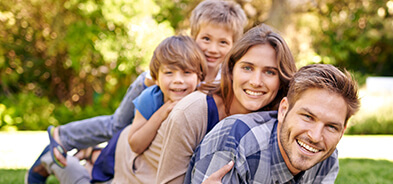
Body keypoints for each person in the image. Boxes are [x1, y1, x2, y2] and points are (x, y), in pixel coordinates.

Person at [26, 0, 247, 183]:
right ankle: (64, 136)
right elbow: (163, 80)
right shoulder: (166, 78)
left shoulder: (223, 77)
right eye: (206, 39)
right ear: (193, 36)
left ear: (234, 45)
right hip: (149, 84)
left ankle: (90, 153)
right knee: (116, 126)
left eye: (223, 42)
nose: (212, 48)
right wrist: (163, 87)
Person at [113, 23, 297, 183]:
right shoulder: (192, 111)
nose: (256, 81)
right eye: (247, 68)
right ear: (231, 69)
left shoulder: (277, 120)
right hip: (131, 166)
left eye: (270, 72)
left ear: (281, 79)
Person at [39, 34, 208, 184]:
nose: (178, 80)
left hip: (144, 165)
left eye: (186, 72)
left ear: (199, 77)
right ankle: (72, 157)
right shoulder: (150, 98)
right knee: (94, 175)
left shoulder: (201, 101)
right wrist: (162, 112)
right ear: (156, 78)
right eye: (169, 73)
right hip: (119, 155)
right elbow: (135, 144)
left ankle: (90, 151)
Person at [186, 64, 361, 184]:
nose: (315, 137)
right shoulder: (235, 140)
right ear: (284, 110)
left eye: (331, 126)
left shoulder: (327, 160)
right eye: (307, 116)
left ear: (343, 131)